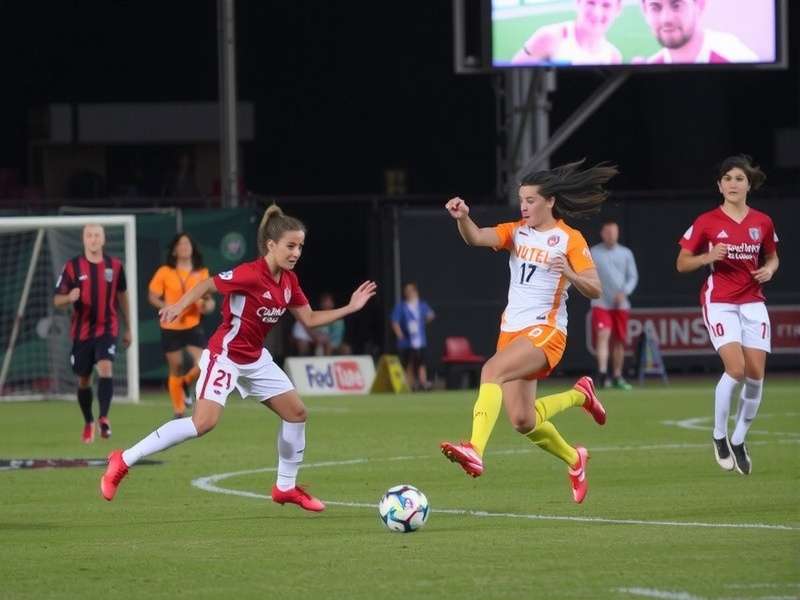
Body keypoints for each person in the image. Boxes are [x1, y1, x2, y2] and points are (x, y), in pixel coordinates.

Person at [100, 205, 377, 512]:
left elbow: (309, 319)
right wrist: (178, 306)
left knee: (297, 413)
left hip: (256, 359)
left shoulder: (289, 282)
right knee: (203, 423)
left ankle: (285, 487)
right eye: (290, 246)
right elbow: (208, 284)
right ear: (271, 245)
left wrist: (350, 307)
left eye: (300, 246)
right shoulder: (250, 274)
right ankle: (123, 459)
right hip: (226, 356)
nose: (296, 253)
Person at [439, 160, 615, 503]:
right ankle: (576, 444)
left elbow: (595, 288)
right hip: (512, 331)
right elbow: (476, 237)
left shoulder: (569, 239)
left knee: (491, 370)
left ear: (550, 201)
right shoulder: (516, 232)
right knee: (523, 420)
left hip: (546, 330)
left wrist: (571, 274)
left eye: (531, 200)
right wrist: (463, 218)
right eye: (521, 199)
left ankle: (475, 448)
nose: (524, 206)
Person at [676, 155, 778, 476]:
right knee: (736, 369)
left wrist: (769, 270)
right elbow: (682, 263)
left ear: (749, 184)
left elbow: (773, 257)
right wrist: (708, 256)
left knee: (756, 377)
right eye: (727, 179)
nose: (733, 184)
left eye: (739, 178)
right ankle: (719, 436)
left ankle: (738, 438)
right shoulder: (707, 221)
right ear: (719, 186)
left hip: (753, 302)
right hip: (720, 300)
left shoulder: (763, 221)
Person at [53, 224, 132, 443]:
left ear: (104, 239)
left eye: (97, 235)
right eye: (89, 235)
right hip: (82, 333)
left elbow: (122, 296)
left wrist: (129, 327)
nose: (94, 239)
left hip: (107, 328)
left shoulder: (115, 266)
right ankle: (88, 421)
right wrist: (69, 297)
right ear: (84, 239)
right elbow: (57, 300)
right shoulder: (72, 267)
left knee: (105, 367)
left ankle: (103, 418)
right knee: (84, 379)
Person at [148, 233, 215, 418]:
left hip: (193, 324)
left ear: (192, 249)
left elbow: (208, 300)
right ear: (175, 250)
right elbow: (152, 296)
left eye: (188, 244)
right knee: (176, 366)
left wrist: (207, 305)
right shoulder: (165, 271)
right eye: (181, 244)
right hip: (170, 326)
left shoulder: (202, 272)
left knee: (204, 362)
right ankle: (178, 410)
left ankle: (186, 382)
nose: (185, 247)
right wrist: (166, 307)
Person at [590, 220, 638, 390]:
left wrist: (624, 292)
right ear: (602, 234)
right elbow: (587, 274)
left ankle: (617, 375)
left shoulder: (626, 253)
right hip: (600, 302)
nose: (611, 235)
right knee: (603, 334)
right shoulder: (593, 252)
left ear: (617, 233)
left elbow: (633, 277)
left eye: (613, 232)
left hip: (621, 305)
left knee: (619, 340)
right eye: (608, 232)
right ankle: (603, 374)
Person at [638, 0, 758, 64]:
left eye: (676, 5)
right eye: (655, 7)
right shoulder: (649, 68)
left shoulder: (737, 59)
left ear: (700, 4)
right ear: (644, 11)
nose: (666, 19)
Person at [511, 0, 623, 66]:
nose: (597, 12)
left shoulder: (614, 56)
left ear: (618, 9)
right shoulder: (550, 37)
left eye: (606, 5)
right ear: (578, 2)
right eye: (590, 2)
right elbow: (512, 79)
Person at [391, 283, 435, 391]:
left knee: (421, 362)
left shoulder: (421, 305)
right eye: (407, 291)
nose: (409, 293)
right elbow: (394, 321)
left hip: (420, 340)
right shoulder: (401, 306)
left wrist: (423, 321)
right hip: (406, 341)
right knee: (407, 363)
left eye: (411, 291)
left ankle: (422, 383)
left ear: (415, 292)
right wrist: (399, 334)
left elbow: (430, 315)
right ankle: (406, 384)